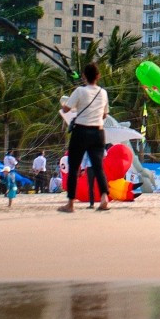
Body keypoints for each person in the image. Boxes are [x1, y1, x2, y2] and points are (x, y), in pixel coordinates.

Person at [59, 62, 111, 213]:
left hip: (81, 131)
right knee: (98, 167)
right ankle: (104, 199)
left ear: (83, 76)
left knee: (74, 167)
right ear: (98, 76)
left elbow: (66, 108)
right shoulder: (103, 92)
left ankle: (70, 203)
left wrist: (66, 105)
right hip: (98, 132)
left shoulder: (79, 91)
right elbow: (105, 114)